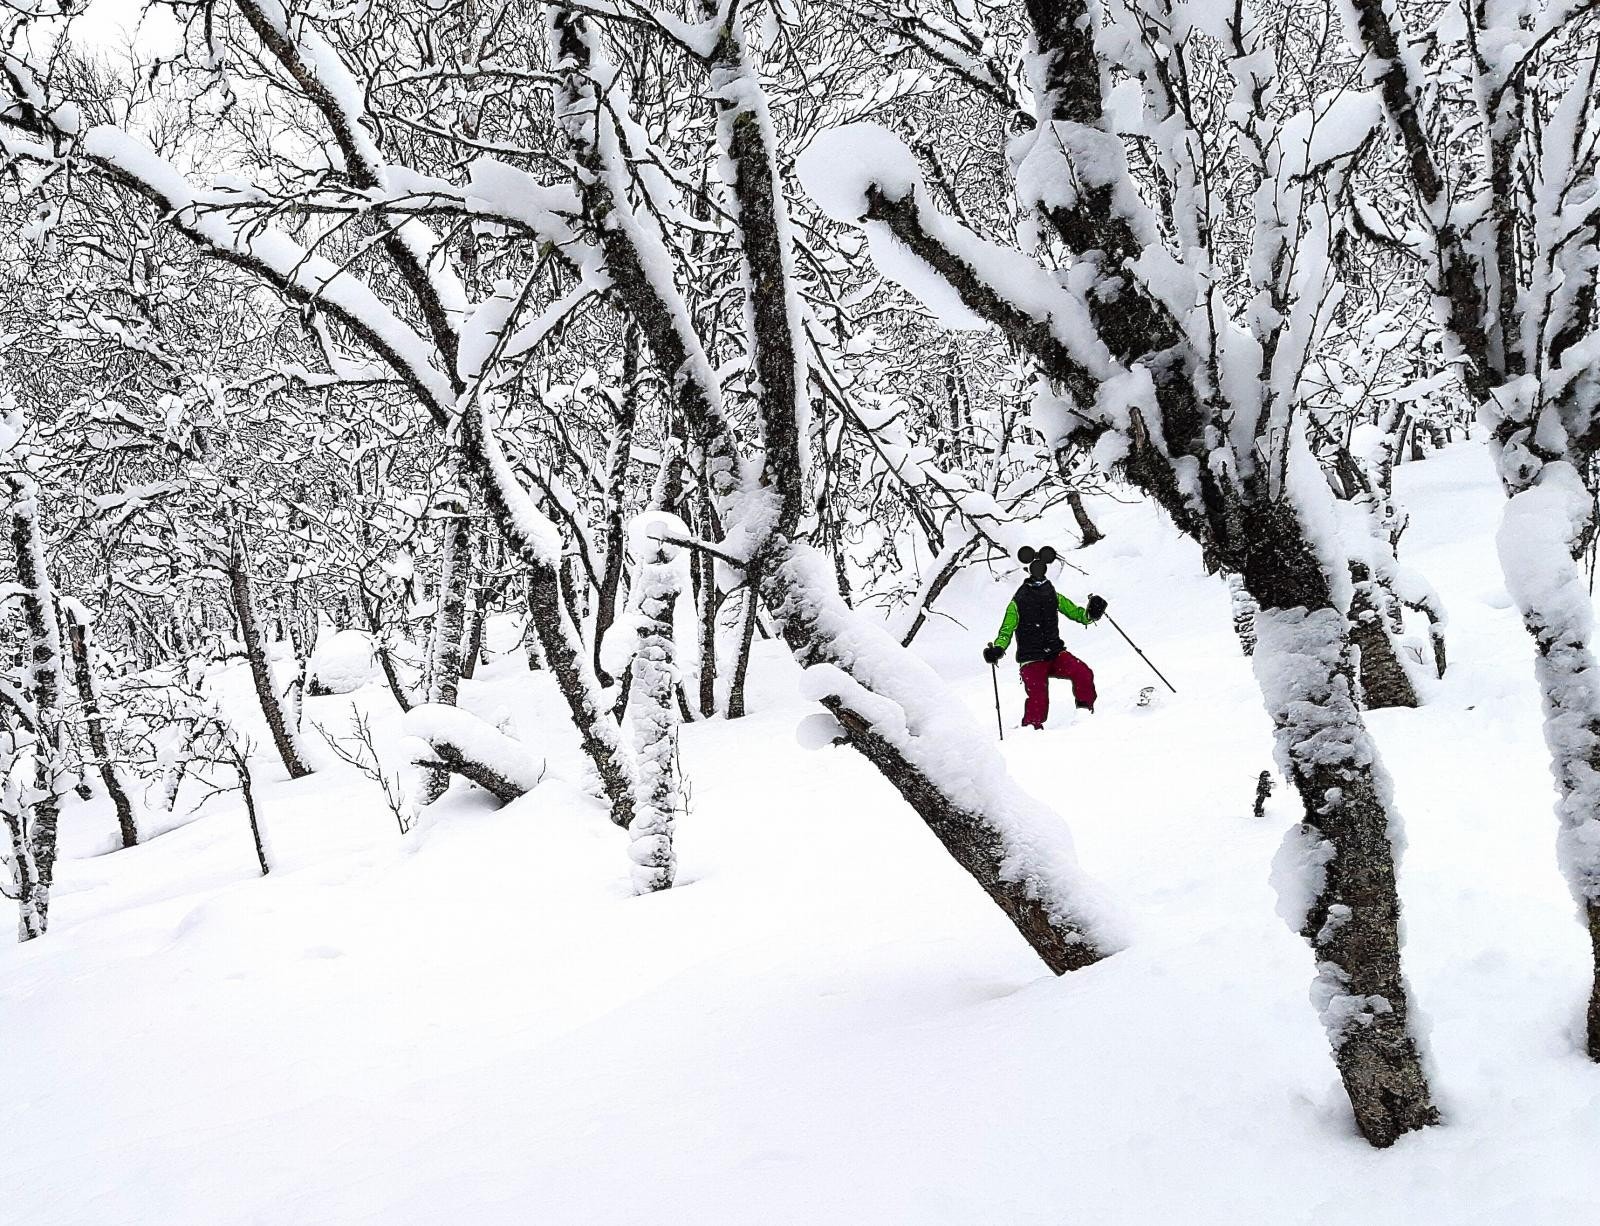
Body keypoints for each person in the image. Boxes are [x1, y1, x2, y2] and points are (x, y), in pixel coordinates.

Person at [982, 546, 1107, 730]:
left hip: (1055, 653)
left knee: (1083, 673)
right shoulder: (1018, 601)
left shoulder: (1052, 595)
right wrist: (998, 649)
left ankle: (1084, 713)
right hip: (1031, 659)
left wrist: (1092, 613)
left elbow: (1076, 614)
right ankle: (1031, 731)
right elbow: (1006, 631)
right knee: (1038, 696)